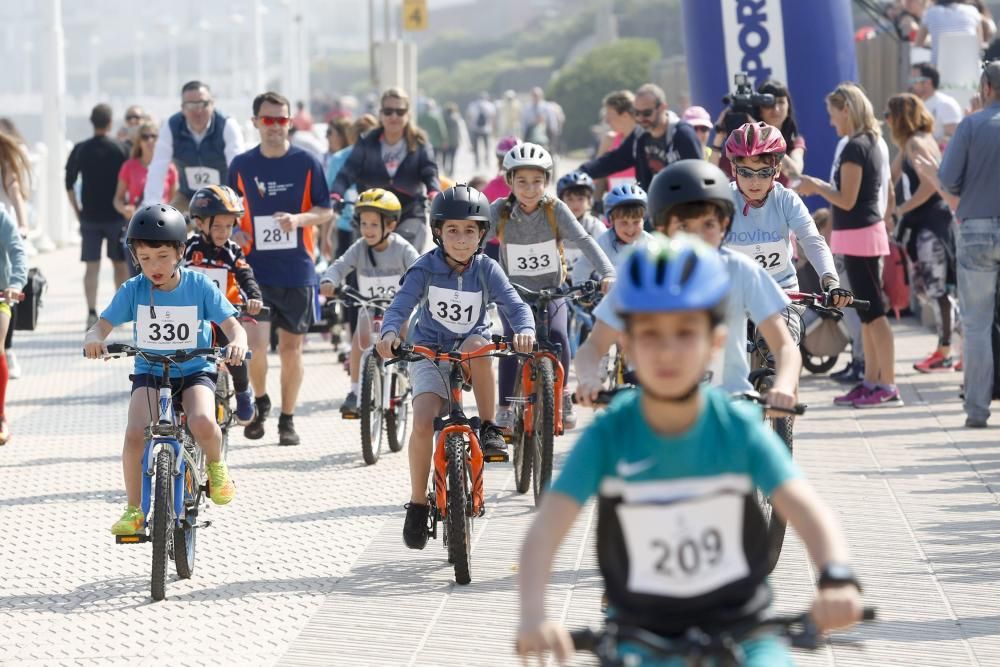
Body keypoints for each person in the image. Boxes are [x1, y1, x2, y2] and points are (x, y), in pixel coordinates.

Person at [517, 235, 864, 665]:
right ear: (625, 344)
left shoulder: (736, 427)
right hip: (641, 635)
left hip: (744, 630)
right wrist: (533, 612)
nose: (667, 350)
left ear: (715, 342)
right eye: (650, 334)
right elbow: (545, 530)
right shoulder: (610, 434)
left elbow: (807, 510)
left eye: (685, 333)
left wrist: (836, 577)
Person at [374, 185, 535, 549]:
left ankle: (491, 426)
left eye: (469, 231)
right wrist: (388, 334)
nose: (461, 240)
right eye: (452, 231)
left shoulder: (487, 269)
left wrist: (524, 330)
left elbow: (515, 305)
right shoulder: (424, 268)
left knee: (481, 345)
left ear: (481, 235)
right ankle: (417, 503)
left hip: (468, 351)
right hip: (428, 350)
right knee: (421, 420)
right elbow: (401, 306)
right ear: (437, 232)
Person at [574, 160, 799, 413]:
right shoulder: (641, 271)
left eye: (709, 225)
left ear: (725, 225)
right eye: (683, 226)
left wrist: (784, 384)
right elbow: (593, 347)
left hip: (727, 412)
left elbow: (784, 346)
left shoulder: (742, 271)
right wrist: (589, 379)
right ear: (661, 228)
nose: (697, 237)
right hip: (658, 412)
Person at [83, 204, 247, 536]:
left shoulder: (199, 286)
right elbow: (100, 326)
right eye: (144, 259)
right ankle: (134, 509)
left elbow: (233, 326)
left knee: (202, 419)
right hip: (150, 371)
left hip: (194, 368)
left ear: (180, 252)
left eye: (161, 256)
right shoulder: (133, 290)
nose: (153, 266)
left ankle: (216, 467)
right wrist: (94, 338)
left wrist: (237, 343)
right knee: (134, 433)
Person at [228, 91, 333, 446]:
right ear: (256, 122)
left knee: (291, 350)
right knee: (254, 346)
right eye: (268, 120)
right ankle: (260, 401)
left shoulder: (307, 162)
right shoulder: (241, 165)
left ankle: (287, 419)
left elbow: (326, 209)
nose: (275, 126)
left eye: (282, 120)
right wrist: (236, 230)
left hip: (298, 269)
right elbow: (229, 211)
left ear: (290, 122)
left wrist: (299, 219)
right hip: (254, 270)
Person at [489, 143, 616, 432]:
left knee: (559, 335)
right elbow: (477, 242)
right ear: (509, 181)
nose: (530, 188)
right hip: (514, 294)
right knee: (512, 341)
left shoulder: (554, 209)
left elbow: (584, 240)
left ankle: (564, 396)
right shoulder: (500, 210)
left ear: (546, 181)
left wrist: (607, 270)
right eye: (521, 181)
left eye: (537, 181)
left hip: (552, 290)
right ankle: (506, 407)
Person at [797, 83, 900, 408]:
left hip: (862, 238)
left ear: (846, 110)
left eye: (832, 114)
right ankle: (871, 381)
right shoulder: (870, 142)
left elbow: (847, 198)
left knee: (875, 315)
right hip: (861, 235)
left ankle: (887, 384)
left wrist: (816, 187)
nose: (831, 122)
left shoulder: (857, 146)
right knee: (867, 317)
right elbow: (884, 193)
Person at [724, 121, 849, 352]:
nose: (754, 181)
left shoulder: (786, 199)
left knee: (783, 356)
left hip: (780, 294)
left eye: (763, 173)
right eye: (745, 172)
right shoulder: (722, 199)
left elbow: (812, 241)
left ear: (777, 170)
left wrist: (830, 281)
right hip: (734, 296)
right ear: (733, 170)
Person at [937, 60, 1000, 427]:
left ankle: (977, 410)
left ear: (986, 88)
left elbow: (949, 180)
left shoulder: (971, 125)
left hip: (976, 228)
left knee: (976, 324)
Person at [319, 188, 419, 416]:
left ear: (391, 225)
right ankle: (355, 391)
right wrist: (329, 280)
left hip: (398, 307)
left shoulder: (402, 248)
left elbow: (419, 267)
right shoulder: (359, 248)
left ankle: (405, 371)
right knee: (360, 338)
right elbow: (339, 265)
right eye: (364, 224)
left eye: (374, 224)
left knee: (404, 331)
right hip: (368, 304)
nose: (368, 230)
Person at [885, 93, 959, 374]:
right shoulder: (913, 142)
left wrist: (900, 210)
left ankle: (945, 351)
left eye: (888, 115)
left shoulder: (916, 143)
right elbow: (890, 176)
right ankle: (953, 348)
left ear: (900, 117)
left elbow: (930, 185)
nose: (886, 121)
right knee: (933, 289)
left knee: (937, 290)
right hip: (930, 224)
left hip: (931, 225)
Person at [185, 185, 264, 425]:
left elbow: (245, 275)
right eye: (217, 225)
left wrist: (253, 297)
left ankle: (242, 391)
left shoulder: (232, 251)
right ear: (200, 223)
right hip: (192, 315)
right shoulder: (187, 247)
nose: (223, 232)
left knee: (233, 352)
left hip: (224, 315)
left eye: (229, 226)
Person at [331, 88, 439, 253]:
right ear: (380, 114)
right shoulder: (366, 141)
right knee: (358, 268)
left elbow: (429, 171)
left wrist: (434, 192)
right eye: (388, 111)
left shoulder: (419, 142)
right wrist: (335, 195)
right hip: (370, 213)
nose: (394, 116)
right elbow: (347, 172)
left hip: (409, 213)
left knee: (408, 265)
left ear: (407, 114)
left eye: (400, 111)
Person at [65, 103, 129, 329]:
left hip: (90, 216)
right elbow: (128, 180)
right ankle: (119, 313)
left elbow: (69, 182)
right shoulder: (121, 148)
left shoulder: (81, 149)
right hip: (116, 216)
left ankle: (91, 312)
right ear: (111, 122)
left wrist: (77, 210)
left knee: (91, 267)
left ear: (92, 122)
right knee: (119, 266)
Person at [143, 81, 245, 211]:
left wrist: (240, 204)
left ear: (212, 104)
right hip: (188, 196)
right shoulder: (170, 126)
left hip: (224, 197)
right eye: (191, 105)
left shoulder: (227, 125)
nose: (198, 110)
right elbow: (158, 168)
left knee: (224, 227)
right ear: (183, 108)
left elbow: (237, 167)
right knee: (168, 224)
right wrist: (150, 207)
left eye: (203, 104)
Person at [580, 83, 702, 191]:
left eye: (646, 113)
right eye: (637, 113)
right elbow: (614, 160)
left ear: (662, 107)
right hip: (653, 208)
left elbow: (696, 175)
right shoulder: (639, 136)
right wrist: (580, 173)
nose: (641, 119)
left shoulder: (682, 134)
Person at [114, 120, 180, 278]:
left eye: (154, 136)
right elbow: (117, 199)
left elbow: (176, 200)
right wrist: (124, 209)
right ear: (139, 141)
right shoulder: (129, 166)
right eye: (145, 136)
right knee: (137, 281)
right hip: (137, 229)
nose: (150, 140)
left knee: (165, 280)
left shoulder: (169, 168)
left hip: (164, 232)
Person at [572, 183, 654, 285]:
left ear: (644, 219)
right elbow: (582, 268)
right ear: (611, 220)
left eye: (636, 222)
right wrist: (580, 292)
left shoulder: (651, 243)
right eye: (624, 222)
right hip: (610, 298)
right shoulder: (602, 243)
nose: (630, 229)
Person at [0, 207, 25, 444]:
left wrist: (15, 283)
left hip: (1, 296)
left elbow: (18, 251)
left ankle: (0, 416)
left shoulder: (1, 215)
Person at [555, 171, 607, 276]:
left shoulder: (595, 226)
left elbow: (608, 254)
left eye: (580, 199)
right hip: (561, 282)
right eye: (570, 199)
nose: (575, 204)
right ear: (561, 202)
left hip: (590, 283)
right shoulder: (554, 226)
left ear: (589, 201)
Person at [593, 90, 638, 195]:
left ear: (625, 116)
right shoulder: (609, 140)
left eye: (609, 114)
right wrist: (596, 203)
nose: (606, 120)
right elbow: (599, 176)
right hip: (615, 208)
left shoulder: (645, 140)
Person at [909, 62, 964, 146]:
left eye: (915, 80)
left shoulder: (946, 104)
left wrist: (926, 147)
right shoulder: (916, 105)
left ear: (928, 82)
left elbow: (953, 138)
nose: (912, 85)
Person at [916, 0, 983, 65]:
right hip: (971, 70)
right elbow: (979, 44)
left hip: (938, 72)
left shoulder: (930, 13)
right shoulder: (973, 11)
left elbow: (918, 46)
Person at [466, 91, 496, 169]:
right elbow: (493, 118)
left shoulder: (472, 105)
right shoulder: (490, 105)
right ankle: (487, 161)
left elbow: (469, 117)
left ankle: (477, 163)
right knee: (487, 147)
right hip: (487, 129)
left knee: (476, 148)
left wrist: (469, 127)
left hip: (475, 129)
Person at [441, 102, 463, 176]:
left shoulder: (443, 118)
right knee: (452, 158)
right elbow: (460, 131)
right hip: (455, 141)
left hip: (445, 141)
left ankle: (444, 170)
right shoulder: (457, 118)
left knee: (444, 157)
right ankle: (451, 171)